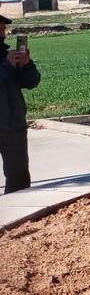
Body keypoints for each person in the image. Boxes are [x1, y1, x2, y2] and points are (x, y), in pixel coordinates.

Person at [0, 16, 40, 194]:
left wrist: (26, 65)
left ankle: (21, 220)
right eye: (0, 28)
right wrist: (7, 66)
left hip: (13, 125)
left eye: (3, 29)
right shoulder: (6, 59)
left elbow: (31, 82)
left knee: (19, 177)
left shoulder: (5, 53)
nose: (3, 33)